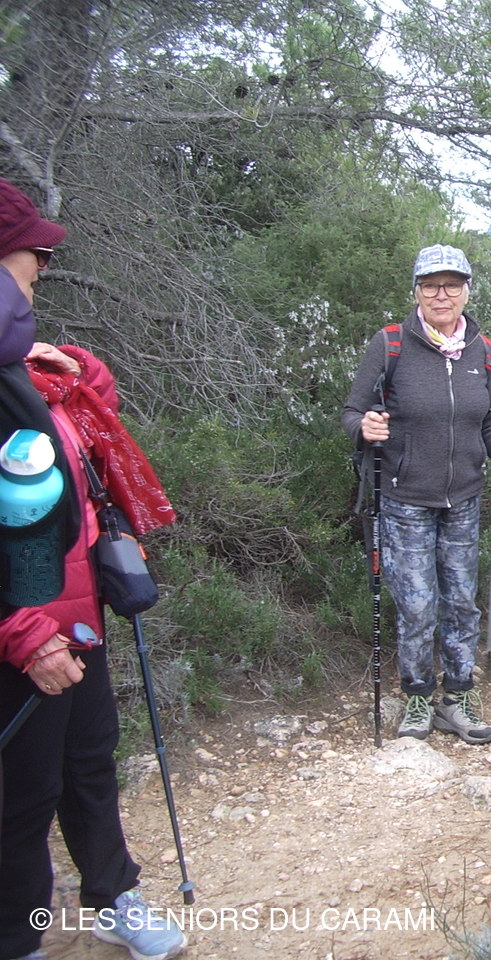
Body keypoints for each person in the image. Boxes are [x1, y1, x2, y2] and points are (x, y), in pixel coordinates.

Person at [0, 179, 185, 960]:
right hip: (25, 630)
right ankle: (18, 935)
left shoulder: (24, 375)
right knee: (23, 792)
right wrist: (23, 631)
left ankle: (112, 897)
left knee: (88, 765)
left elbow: (91, 415)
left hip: (77, 614)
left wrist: (69, 367)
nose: (43, 265)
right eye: (33, 252)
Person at [343, 244, 491, 744]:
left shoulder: (482, 348)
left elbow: (490, 425)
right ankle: (417, 697)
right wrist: (364, 428)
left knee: (460, 603)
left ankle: (458, 698)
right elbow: (351, 413)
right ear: (416, 291)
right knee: (417, 606)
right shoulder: (390, 344)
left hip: (464, 500)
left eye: (452, 285)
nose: (441, 295)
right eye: (430, 285)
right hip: (405, 499)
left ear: (466, 291)